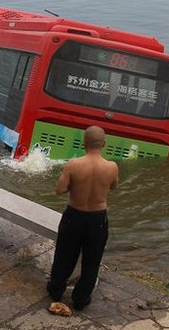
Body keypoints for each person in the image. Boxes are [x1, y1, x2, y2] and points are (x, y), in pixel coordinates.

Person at [46, 126, 119, 312]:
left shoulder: (73, 164)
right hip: (98, 219)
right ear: (103, 144)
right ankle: (81, 299)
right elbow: (114, 187)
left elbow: (59, 190)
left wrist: (74, 184)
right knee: (92, 260)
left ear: (84, 143)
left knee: (64, 255)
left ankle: (56, 291)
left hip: (74, 216)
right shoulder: (112, 167)